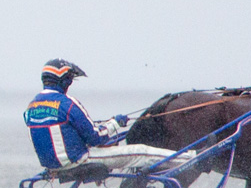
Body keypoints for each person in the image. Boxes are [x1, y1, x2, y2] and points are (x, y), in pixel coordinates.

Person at [25, 59, 190, 173]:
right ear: (63, 81)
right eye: (70, 80)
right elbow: (96, 138)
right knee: (141, 152)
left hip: (51, 165)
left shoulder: (31, 106)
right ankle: (190, 159)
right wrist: (115, 123)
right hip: (78, 160)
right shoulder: (67, 104)